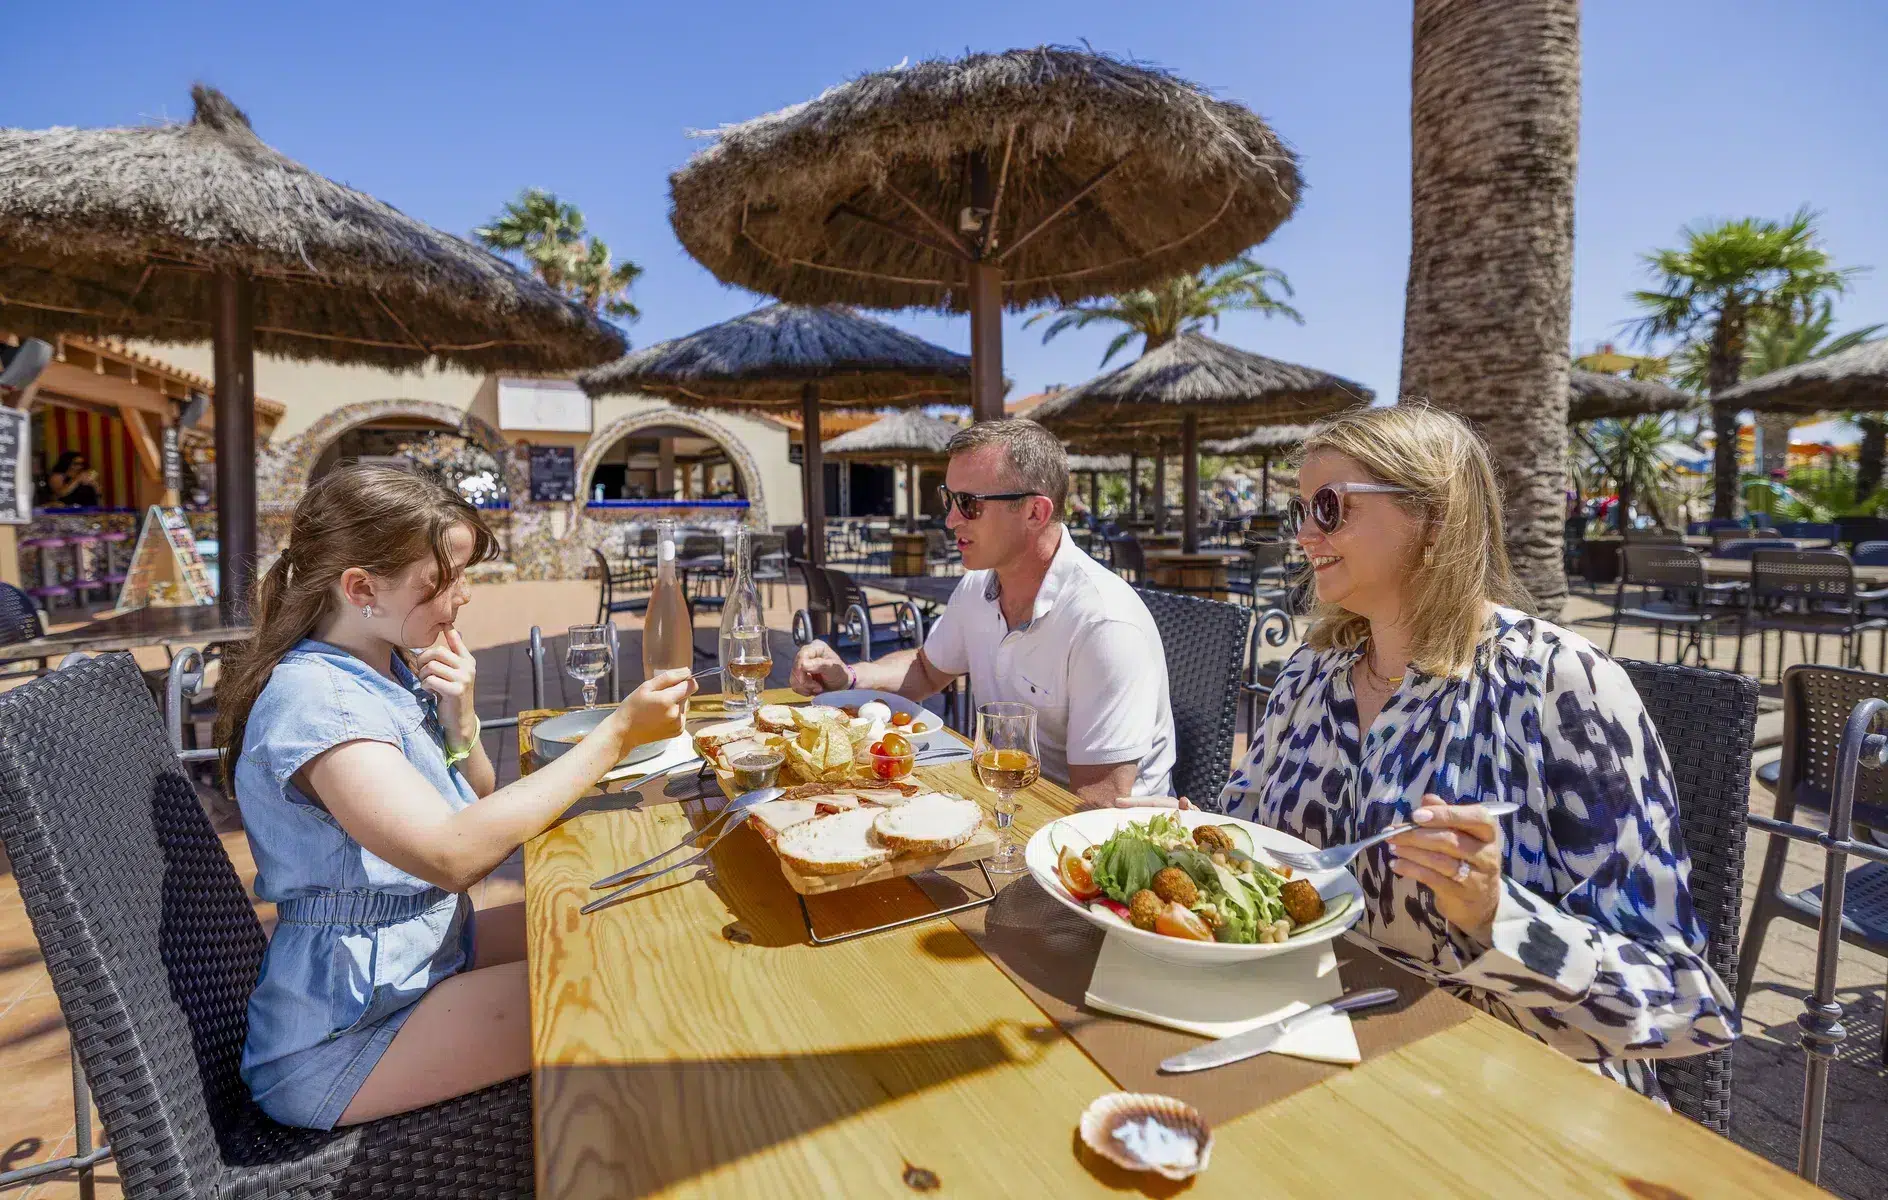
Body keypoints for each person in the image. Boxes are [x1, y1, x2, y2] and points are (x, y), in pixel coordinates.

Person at [1223, 404, 1735, 1101]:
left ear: (1433, 521)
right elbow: (1249, 844)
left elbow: (1686, 1004)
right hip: (1320, 1047)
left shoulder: (1560, 685)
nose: (1305, 534)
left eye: (1329, 507)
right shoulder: (1309, 673)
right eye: (1300, 510)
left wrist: (1498, 916)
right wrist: (1196, 843)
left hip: (1510, 1085)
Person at [215, 464, 696, 1130]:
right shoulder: (318, 702)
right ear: (361, 588)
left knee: (622, 925)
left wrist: (459, 716)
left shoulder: (378, 667)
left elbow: (476, 797)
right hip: (346, 1034)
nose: (464, 596)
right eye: (445, 580)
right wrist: (616, 734)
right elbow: (455, 855)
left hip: (421, 956)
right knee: (632, 986)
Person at [791, 419, 1176, 808]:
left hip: (1081, 833)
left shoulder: (1103, 624)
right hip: (1003, 799)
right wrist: (850, 676)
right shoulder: (980, 585)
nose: (950, 519)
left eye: (968, 503)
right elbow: (926, 670)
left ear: (1035, 512)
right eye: (949, 498)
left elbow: (1097, 806)